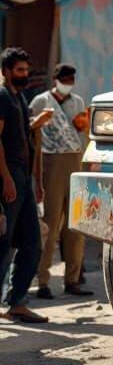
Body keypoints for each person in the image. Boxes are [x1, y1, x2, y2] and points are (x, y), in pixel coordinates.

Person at [29, 64, 94, 297]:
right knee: (51, 222)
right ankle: (43, 280)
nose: (68, 83)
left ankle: (73, 279)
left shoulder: (77, 101)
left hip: (74, 160)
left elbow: (82, 130)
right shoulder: (40, 101)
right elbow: (31, 132)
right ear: (56, 79)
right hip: (51, 162)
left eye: (71, 79)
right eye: (65, 78)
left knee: (75, 224)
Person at [0, 47, 49, 323]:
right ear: (7, 71)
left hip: (23, 177)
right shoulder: (2, 96)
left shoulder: (18, 97)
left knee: (32, 242)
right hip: (9, 177)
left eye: (26, 70)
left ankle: (16, 301)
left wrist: (34, 124)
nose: (24, 75)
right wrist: (6, 179)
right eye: (19, 70)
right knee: (3, 243)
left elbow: (18, 135)